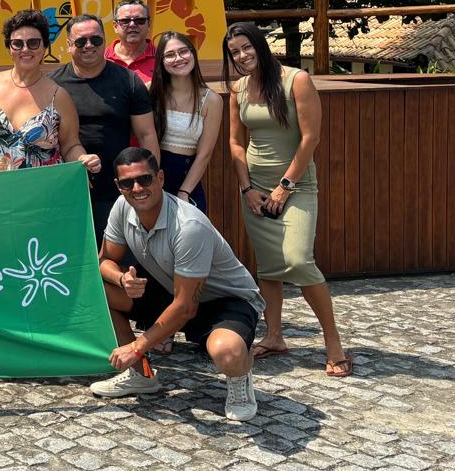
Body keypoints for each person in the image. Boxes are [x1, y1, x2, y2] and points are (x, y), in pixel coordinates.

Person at [89, 148, 262, 422]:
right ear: (118, 186)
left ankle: (240, 378)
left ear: (160, 178)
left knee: (226, 352)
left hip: (224, 300)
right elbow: (104, 260)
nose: (137, 188)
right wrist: (121, 278)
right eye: (127, 183)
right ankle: (141, 375)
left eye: (144, 179)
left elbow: (184, 308)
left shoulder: (188, 225)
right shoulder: (122, 207)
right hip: (171, 289)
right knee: (98, 291)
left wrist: (137, 346)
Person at [225, 22, 353, 377]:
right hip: (254, 189)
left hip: (295, 185)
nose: (242, 56)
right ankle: (275, 335)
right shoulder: (239, 89)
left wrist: (285, 185)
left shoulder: (296, 79)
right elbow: (236, 143)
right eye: (235, 52)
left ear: (260, 46)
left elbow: (310, 138)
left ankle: (333, 343)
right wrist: (246, 188)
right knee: (268, 265)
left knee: (297, 260)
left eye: (246, 48)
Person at [50, 14, 160, 240]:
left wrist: (152, 182)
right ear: (69, 45)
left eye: (96, 40)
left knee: (119, 262)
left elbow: (147, 134)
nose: (88, 46)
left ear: (105, 41)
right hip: (67, 191)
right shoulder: (53, 84)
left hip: (121, 191)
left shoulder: (128, 80)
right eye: (80, 41)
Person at [0, 10, 100, 177]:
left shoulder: (58, 96)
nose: (25, 49)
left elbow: (70, 145)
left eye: (33, 43)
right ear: (9, 48)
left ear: (45, 47)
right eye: (17, 44)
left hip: (41, 194)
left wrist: (83, 158)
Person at [148, 31, 223, 212]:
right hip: (150, 180)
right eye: (170, 55)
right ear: (161, 61)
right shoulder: (150, 92)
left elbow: (205, 154)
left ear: (193, 53)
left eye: (184, 51)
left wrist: (184, 193)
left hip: (186, 181)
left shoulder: (211, 100)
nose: (178, 58)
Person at [107, 0, 156, 83]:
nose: (132, 25)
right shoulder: (101, 59)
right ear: (115, 26)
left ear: (149, 24)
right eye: (125, 21)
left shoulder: (164, 59)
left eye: (139, 20)